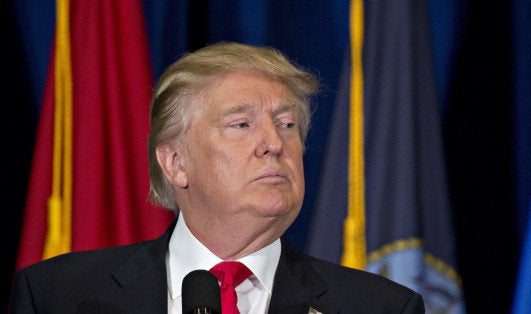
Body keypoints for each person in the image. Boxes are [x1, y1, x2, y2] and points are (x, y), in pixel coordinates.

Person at [10, 42, 425, 313]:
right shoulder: (55, 296)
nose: (273, 144)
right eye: (241, 125)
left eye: (286, 124)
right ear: (175, 163)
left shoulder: (380, 307)